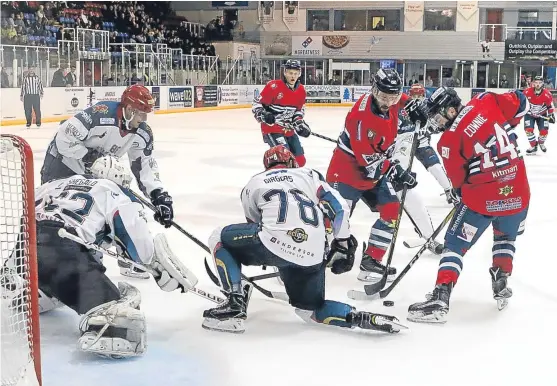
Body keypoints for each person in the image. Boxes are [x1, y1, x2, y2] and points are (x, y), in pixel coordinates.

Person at [202, 146, 405, 335]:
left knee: (219, 237)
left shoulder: (254, 183)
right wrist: (342, 244)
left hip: (273, 244)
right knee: (310, 311)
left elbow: (255, 224)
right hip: (313, 254)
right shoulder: (309, 175)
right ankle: (360, 318)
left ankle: (234, 304)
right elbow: (340, 208)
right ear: (292, 162)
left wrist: (274, 257)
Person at [30, 157, 190, 358]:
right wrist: (159, 269)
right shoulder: (113, 191)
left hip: (23, 251)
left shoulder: (55, 183)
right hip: (60, 250)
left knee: (50, 278)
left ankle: (35, 289)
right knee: (118, 317)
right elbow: (140, 250)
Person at [404, 87, 530, 323]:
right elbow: (521, 103)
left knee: (454, 244)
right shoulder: (486, 100)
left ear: (451, 110)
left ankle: (441, 296)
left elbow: (459, 185)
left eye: (438, 116)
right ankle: (501, 279)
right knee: (504, 238)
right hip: (519, 194)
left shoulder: (448, 141)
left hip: (484, 198)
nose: (436, 122)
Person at [40, 84, 174, 279]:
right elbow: (64, 137)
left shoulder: (142, 134)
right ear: (129, 109)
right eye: (141, 114)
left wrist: (158, 195)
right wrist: (90, 158)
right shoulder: (99, 114)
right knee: (58, 211)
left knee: (120, 205)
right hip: (62, 163)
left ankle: (127, 259)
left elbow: (144, 166)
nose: (144, 119)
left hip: (93, 171)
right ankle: (45, 255)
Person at [326, 68, 417, 283]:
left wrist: (415, 105)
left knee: (392, 210)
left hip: (374, 172)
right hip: (347, 172)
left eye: (393, 97)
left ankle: (371, 260)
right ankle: (303, 262)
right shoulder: (361, 117)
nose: (388, 101)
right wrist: (396, 171)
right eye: (384, 97)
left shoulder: (393, 98)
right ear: (374, 90)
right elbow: (368, 161)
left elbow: (403, 100)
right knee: (333, 221)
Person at [395, 83, 454, 253]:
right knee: (401, 190)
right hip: (400, 148)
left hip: (420, 143)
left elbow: (437, 126)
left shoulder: (428, 107)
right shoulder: (402, 109)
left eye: (419, 95)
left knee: (434, 165)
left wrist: (432, 127)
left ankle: (449, 190)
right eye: (414, 95)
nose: (416, 99)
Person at [252, 59, 310, 167]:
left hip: (289, 130)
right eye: (290, 73)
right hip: (272, 128)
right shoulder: (273, 87)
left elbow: (299, 110)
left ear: (299, 74)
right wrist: (264, 115)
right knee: (284, 158)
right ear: (285, 72)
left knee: (300, 161)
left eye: (295, 73)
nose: (293, 76)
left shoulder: (301, 90)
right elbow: (256, 104)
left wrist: (299, 124)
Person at [522, 75, 555, 154]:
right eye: (536, 82)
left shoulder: (547, 94)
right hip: (529, 114)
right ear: (533, 83)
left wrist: (551, 115)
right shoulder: (527, 92)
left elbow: (550, 106)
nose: (537, 84)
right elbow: (521, 102)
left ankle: (541, 143)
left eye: (540, 83)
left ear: (542, 83)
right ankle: (534, 146)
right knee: (528, 130)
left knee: (544, 131)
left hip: (542, 114)